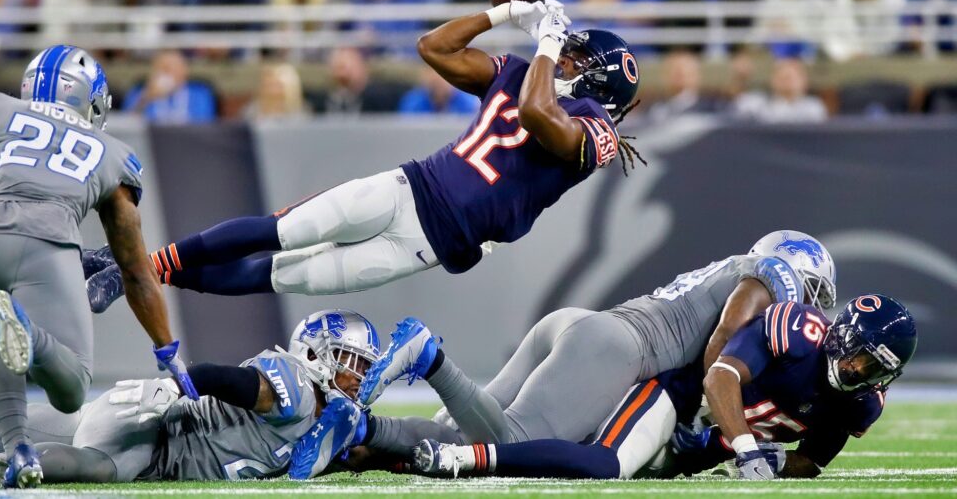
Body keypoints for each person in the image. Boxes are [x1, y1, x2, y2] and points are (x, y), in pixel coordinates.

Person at [85, 0, 646, 306]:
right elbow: (435, 47)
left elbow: (536, 115)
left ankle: (134, 271)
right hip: (409, 189)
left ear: (598, 83)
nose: (562, 58)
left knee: (280, 276)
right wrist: (504, 15)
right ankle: (134, 268)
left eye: (573, 58)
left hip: (426, 245)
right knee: (280, 230)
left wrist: (546, 42)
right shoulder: (519, 73)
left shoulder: (597, 130)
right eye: (563, 51)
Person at [286, 230, 839, 478]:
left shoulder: (745, 265)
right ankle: (429, 357)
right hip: (618, 349)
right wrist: (705, 408)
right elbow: (723, 339)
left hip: (592, 330)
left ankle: (358, 432)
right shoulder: (772, 278)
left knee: (458, 434)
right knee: (510, 447)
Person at [0, 45, 196, 488]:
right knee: (72, 386)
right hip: (43, 240)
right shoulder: (111, 152)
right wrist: (168, 350)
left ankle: (18, 450)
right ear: (88, 99)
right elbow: (134, 269)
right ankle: (29, 334)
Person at [411, 294, 916, 480]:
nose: (855, 371)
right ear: (838, 335)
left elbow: (814, 461)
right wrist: (746, 449)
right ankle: (466, 459)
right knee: (605, 463)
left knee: (576, 451)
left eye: (872, 368)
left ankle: (420, 437)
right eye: (856, 356)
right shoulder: (797, 331)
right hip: (675, 401)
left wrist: (781, 461)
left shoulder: (860, 404)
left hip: (692, 452)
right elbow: (721, 378)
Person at [0, 310, 379, 483]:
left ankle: (16, 449)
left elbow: (372, 446)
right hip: (154, 433)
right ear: (314, 353)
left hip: (128, 416)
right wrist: (175, 385)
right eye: (351, 360)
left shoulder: (329, 420)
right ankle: (26, 460)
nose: (360, 373)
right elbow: (226, 378)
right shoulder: (297, 390)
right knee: (102, 467)